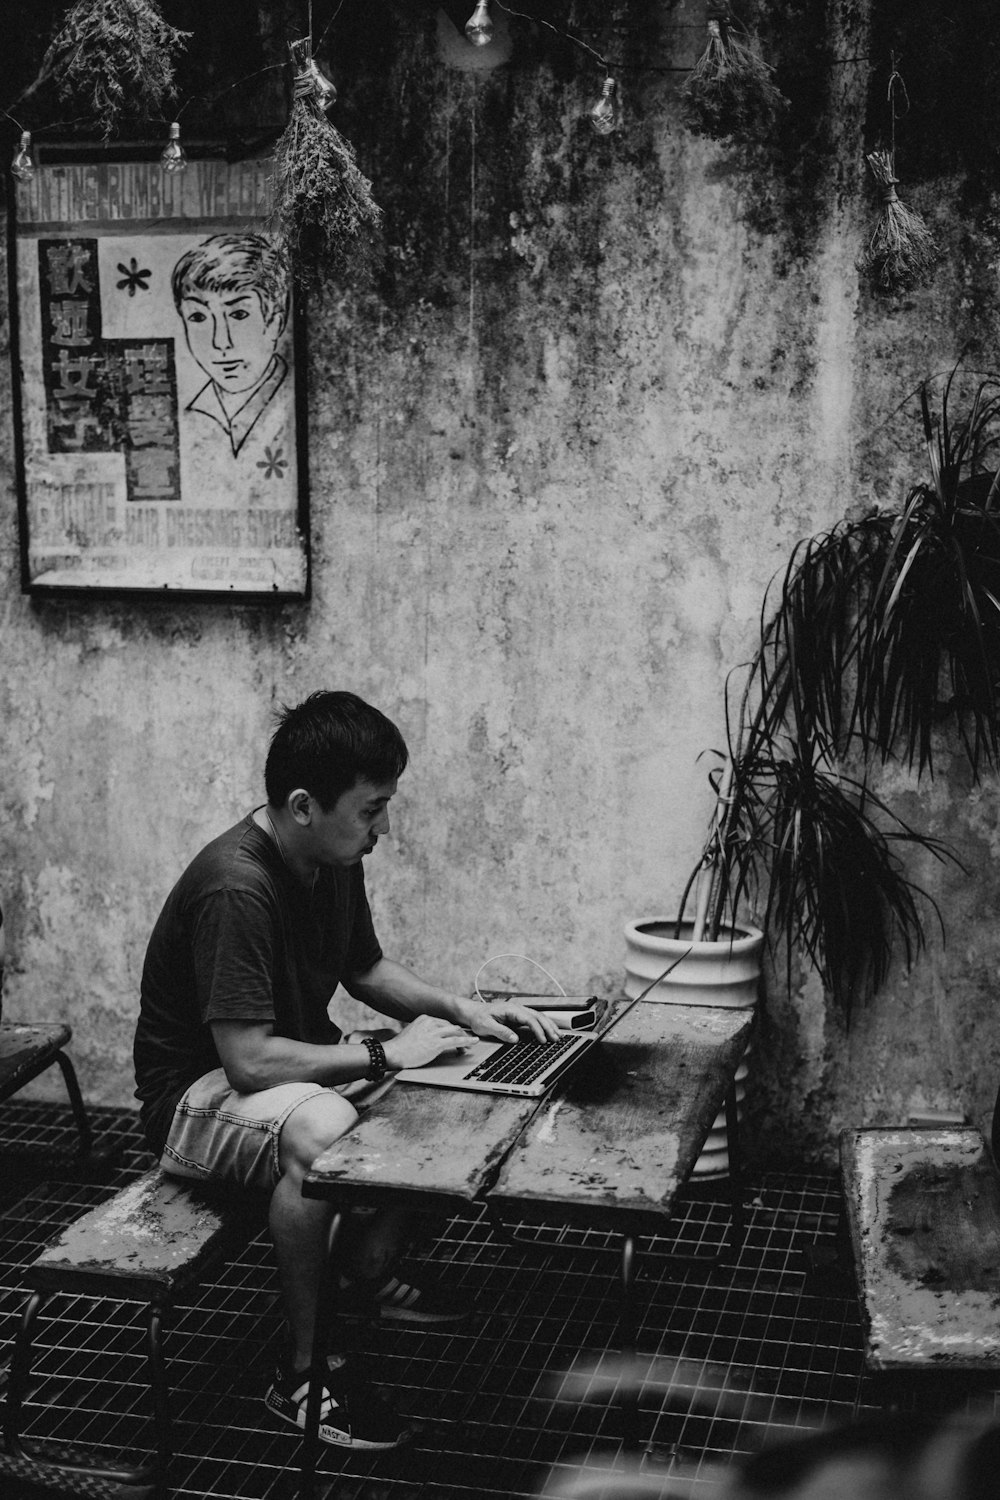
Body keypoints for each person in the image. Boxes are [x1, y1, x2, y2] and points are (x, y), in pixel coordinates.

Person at [133, 689, 559, 1451]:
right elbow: (249, 1059)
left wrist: (467, 1013)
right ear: (303, 805)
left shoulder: (329, 859)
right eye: (371, 810)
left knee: (459, 1079)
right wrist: (383, 1053)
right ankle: (301, 1374)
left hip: (273, 1079)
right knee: (326, 1126)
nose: (384, 828)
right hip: (195, 1102)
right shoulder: (239, 886)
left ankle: (368, 1268)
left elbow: (364, 969)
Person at [170, 232, 290, 457]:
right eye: (198, 317)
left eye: (239, 314)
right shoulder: (193, 411)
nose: (220, 342)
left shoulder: (293, 400)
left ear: (274, 324)